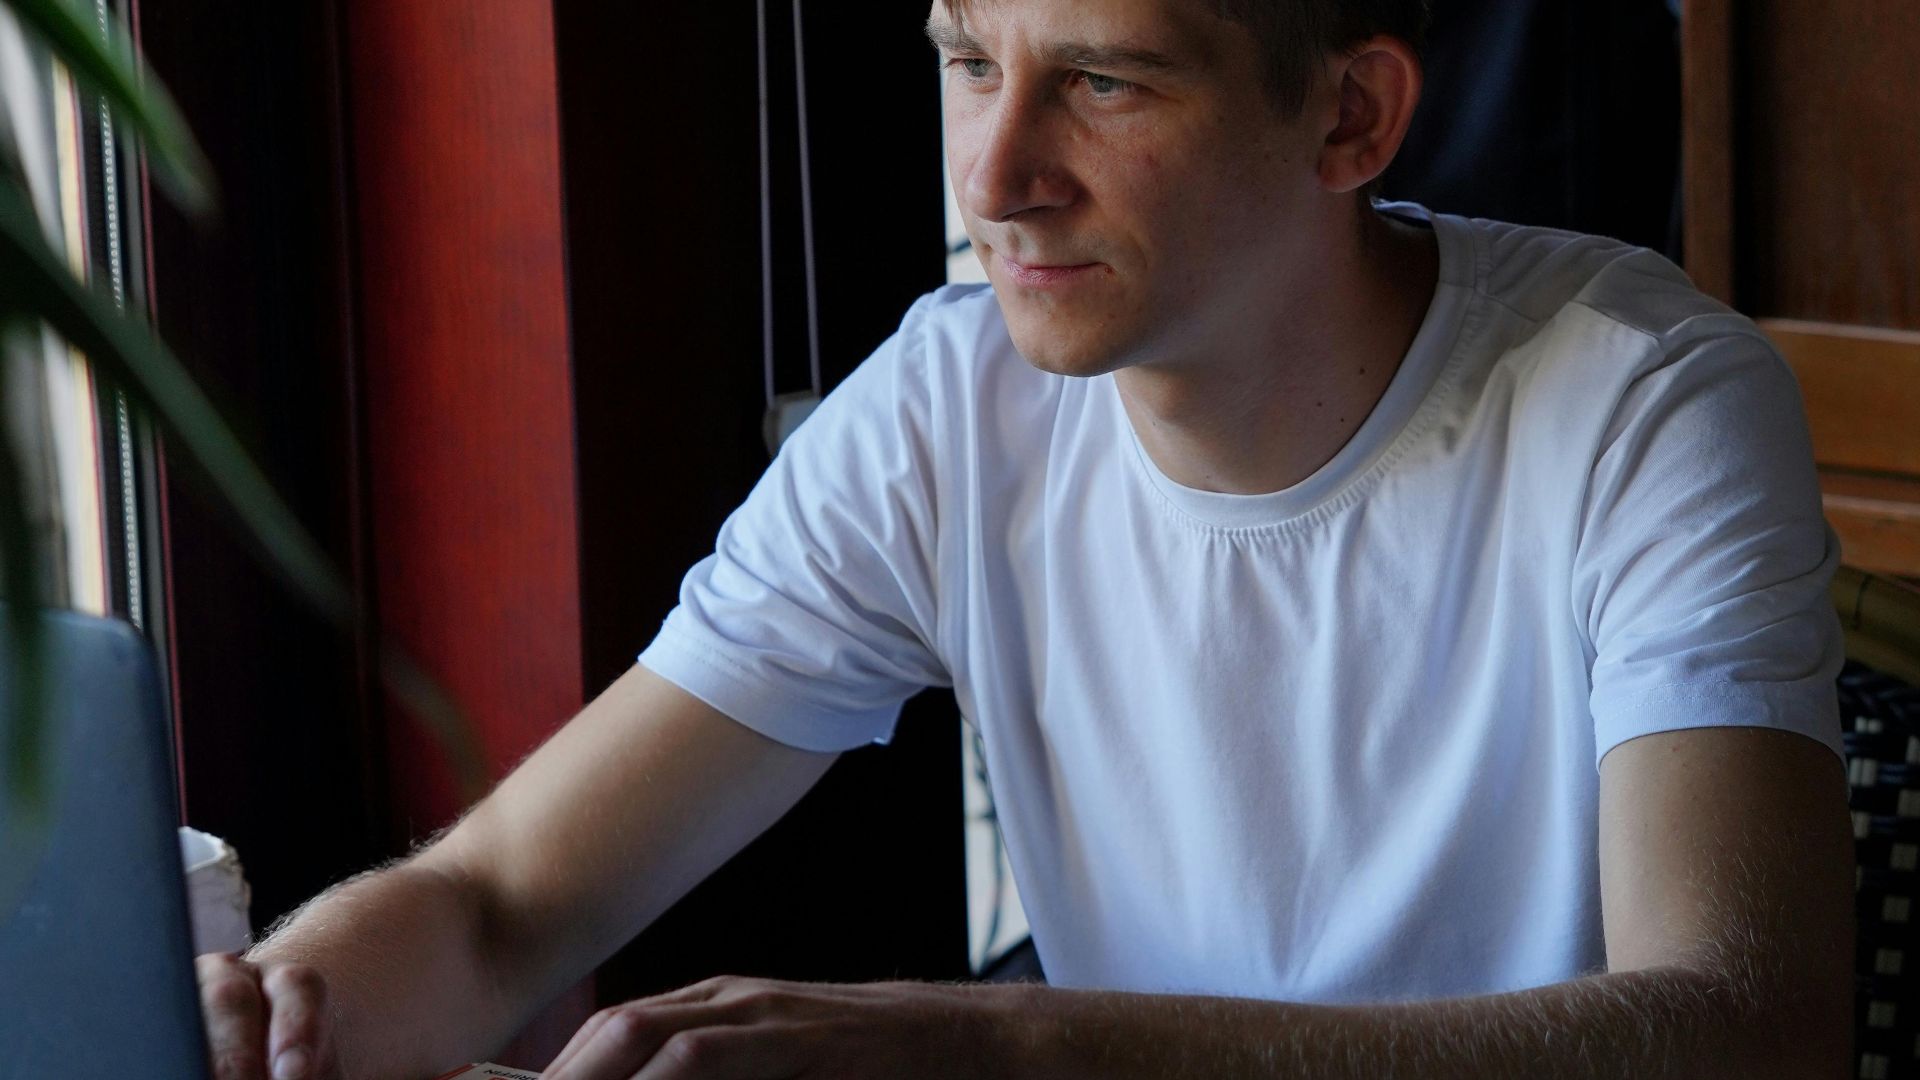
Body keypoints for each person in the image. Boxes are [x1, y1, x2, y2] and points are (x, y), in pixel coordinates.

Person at [196, 0, 1855, 1077]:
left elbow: (1744, 1028)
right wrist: (279, 1010)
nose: (995, 176)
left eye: (1104, 80)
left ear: (1350, 117)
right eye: (967, 62)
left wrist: (997, 1049)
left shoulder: (1644, 398)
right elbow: (501, 902)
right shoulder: (950, 404)